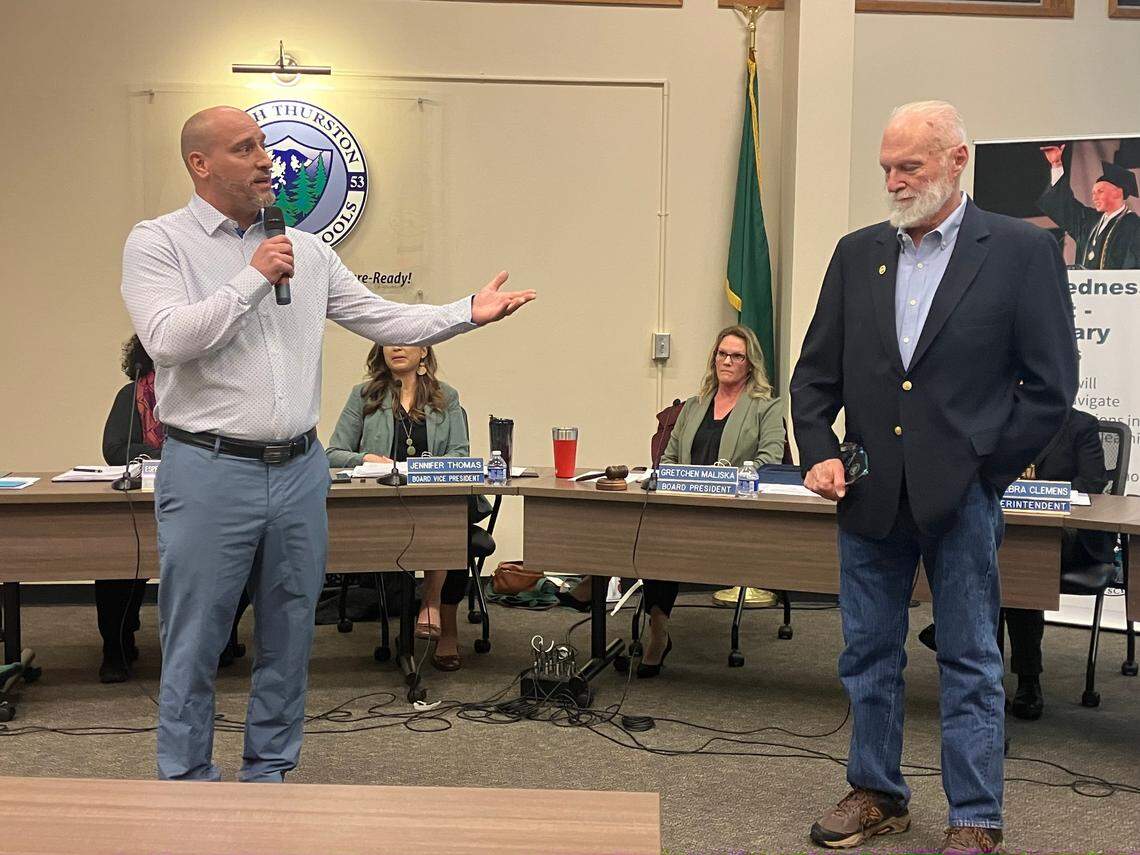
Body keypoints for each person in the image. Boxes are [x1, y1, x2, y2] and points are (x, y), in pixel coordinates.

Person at [121, 105, 534, 783]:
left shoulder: (307, 250)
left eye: (264, 147)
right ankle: (186, 781)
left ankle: (269, 773)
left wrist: (465, 313)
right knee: (195, 639)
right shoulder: (159, 242)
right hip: (209, 467)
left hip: (298, 471)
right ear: (200, 163)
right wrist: (253, 275)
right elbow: (168, 339)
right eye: (244, 147)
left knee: (289, 636)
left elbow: (382, 315)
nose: (264, 160)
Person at [791, 101, 1077, 853]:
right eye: (886, 166)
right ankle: (877, 789)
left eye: (908, 165)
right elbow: (814, 379)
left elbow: (1049, 386)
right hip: (868, 494)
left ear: (958, 161)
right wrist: (818, 448)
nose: (892, 179)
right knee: (867, 651)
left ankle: (975, 815)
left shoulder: (1019, 251)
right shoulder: (857, 254)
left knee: (972, 657)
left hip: (964, 498)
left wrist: (985, 468)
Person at [558, 326, 784, 677]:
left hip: (731, 514)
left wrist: (728, 478)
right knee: (652, 527)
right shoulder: (693, 407)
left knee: (658, 536)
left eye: (736, 356)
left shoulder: (765, 408)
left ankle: (601, 578)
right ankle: (657, 633)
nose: (727, 361)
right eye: (722, 354)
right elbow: (671, 458)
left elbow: (770, 460)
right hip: (684, 508)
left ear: (749, 364)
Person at [919, 409, 1114, 721]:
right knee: (1003, 557)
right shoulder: (995, 423)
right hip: (1006, 534)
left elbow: (1090, 481)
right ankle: (1022, 679)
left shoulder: (1081, 426)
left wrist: (1040, 497)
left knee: (1015, 561)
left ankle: (964, 638)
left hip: (1064, 536)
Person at [326, 343, 489, 670]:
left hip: (434, 502)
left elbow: (460, 455)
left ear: (425, 352)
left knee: (448, 524)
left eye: (407, 340)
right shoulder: (364, 395)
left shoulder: (447, 397)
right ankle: (429, 601)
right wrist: (365, 458)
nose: (397, 346)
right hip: (383, 507)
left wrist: (424, 472)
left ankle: (441, 615)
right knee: (444, 527)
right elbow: (332, 453)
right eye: (389, 340)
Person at [99, 335, 250, 683]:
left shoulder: (214, 396)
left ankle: (222, 636)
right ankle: (117, 646)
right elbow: (116, 449)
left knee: (244, 550)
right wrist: (183, 456)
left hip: (210, 498)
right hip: (143, 503)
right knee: (115, 555)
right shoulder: (133, 394)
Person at [1038, 145, 1140, 269]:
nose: (1094, 197)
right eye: (1093, 193)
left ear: (1117, 192)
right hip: (1086, 287)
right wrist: (1056, 164)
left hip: (1115, 288)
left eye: (1100, 191)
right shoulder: (1089, 221)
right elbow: (1062, 205)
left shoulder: (1134, 225)